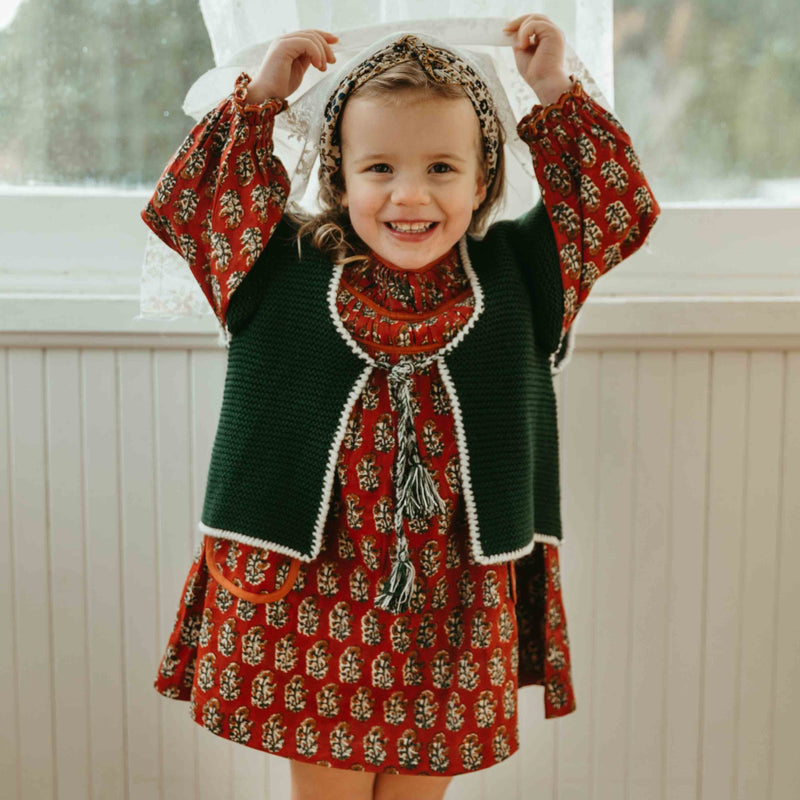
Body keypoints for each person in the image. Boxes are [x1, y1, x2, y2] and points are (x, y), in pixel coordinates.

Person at [141, 13, 660, 800]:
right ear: (338, 176)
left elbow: (616, 208)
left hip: (454, 605)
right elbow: (194, 206)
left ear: (484, 180)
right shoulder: (272, 271)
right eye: (379, 167)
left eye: (442, 168)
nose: (409, 194)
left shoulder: (527, 273)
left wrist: (553, 89)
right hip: (312, 598)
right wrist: (265, 98)